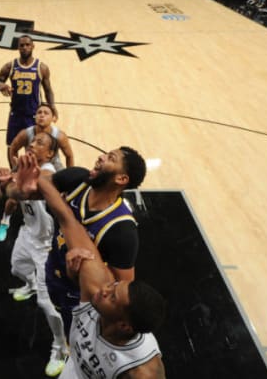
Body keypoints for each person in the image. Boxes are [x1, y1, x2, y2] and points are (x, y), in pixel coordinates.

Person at [16, 154, 166, 379]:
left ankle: (59, 349)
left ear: (124, 325)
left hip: (75, 294)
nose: (105, 289)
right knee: (55, 316)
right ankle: (61, 347)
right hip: (61, 283)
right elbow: (67, 218)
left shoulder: (141, 371)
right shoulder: (95, 295)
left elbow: (123, 281)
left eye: (112, 296)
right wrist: (29, 183)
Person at [0, 146, 147, 336]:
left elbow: (122, 289)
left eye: (110, 158)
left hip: (79, 295)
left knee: (70, 331)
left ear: (121, 179)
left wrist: (80, 275)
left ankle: (64, 350)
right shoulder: (78, 179)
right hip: (51, 264)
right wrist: (17, 188)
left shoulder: (122, 230)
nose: (101, 157)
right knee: (49, 308)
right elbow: (27, 191)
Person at [0, 132, 67, 377]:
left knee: (47, 303)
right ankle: (31, 284)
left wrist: (14, 181)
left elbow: (40, 180)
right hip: (27, 234)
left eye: (40, 143)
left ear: (51, 154)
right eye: (32, 142)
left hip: (47, 247)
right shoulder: (20, 169)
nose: (32, 144)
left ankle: (61, 347)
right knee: (17, 270)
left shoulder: (51, 174)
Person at [0, 103, 75, 242]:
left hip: (52, 165)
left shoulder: (59, 136)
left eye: (45, 113)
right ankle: (5, 222)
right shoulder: (26, 133)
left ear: (53, 118)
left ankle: (62, 227)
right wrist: (15, 168)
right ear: (35, 116)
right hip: (30, 163)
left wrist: (69, 178)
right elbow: (12, 148)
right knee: (13, 198)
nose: (42, 115)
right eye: (39, 112)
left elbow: (69, 156)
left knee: (62, 199)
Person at [0, 35, 56, 165]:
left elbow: (48, 90)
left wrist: (52, 108)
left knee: (33, 148)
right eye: (22, 45)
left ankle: (31, 173)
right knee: (11, 147)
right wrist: (0, 86)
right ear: (18, 47)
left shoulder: (41, 67)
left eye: (27, 45)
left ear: (33, 46)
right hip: (16, 114)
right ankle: (14, 174)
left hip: (33, 116)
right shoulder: (10, 67)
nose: (25, 47)